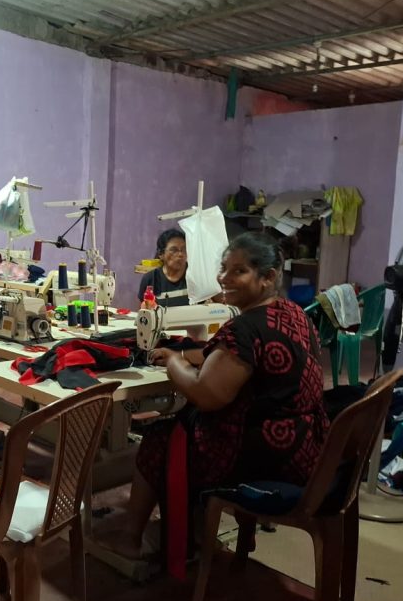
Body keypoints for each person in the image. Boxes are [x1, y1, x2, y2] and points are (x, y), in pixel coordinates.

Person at [110, 232, 328, 565]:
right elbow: (233, 357)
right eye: (223, 268)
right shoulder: (293, 314)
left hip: (266, 458)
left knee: (159, 437)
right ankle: (196, 532)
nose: (223, 278)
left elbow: (206, 394)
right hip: (307, 447)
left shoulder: (245, 328)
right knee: (181, 426)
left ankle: (131, 540)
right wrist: (189, 355)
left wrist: (175, 362)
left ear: (268, 277)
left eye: (239, 271)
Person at [138, 228, 189, 308]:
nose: (180, 254)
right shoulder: (150, 279)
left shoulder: (195, 276)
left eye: (184, 249)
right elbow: (144, 310)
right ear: (161, 254)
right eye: (174, 250)